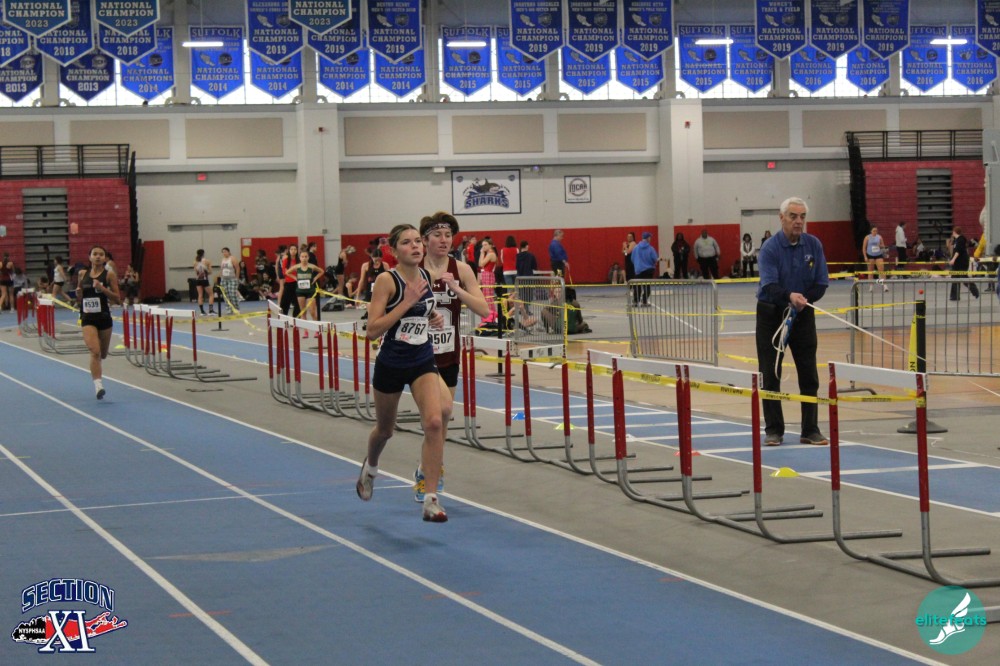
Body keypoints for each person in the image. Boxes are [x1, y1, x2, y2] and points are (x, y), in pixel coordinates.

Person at [355, 223, 449, 523]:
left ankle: (431, 499)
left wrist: (432, 316)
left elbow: (421, 311)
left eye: (418, 241)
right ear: (394, 251)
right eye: (407, 242)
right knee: (385, 430)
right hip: (392, 364)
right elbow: (372, 331)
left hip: (422, 359)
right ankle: (371, 467)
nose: (416, 246)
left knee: (434, 422)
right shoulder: (386, 280)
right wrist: (406, 302)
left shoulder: (425, 276)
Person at [418, 212, 490, 500]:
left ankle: (429, 468)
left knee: (442, 419)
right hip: (419, 354)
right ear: (425, 240)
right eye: (437, 235)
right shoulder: (414, 269)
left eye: (448, 235)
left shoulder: (461, 269)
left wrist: (456, 288)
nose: (444, 240)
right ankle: (430, 473)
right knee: (438, 414)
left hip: (449, 352)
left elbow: (484, 310)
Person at [755, 197, 829, 447]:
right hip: (772, 314)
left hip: (803, 313)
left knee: (809, 373)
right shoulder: (770, 248)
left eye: (802, 217)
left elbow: (821, 283)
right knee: (770, 372)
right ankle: (774, 430)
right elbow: (769, 284)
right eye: (793, 216)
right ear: (782, 217)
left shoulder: (814, 245)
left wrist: (804, 300)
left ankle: (810, 429)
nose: (798, 221)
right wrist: (789, 297)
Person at [76, 245, 121, 400]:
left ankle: (98, 373)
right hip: (87, 318)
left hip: (104, 317)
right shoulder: (82, 274)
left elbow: (117, 299)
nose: (98, 257)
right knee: (94, 351)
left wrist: (102, 289)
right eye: (95, 254)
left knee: (103, 354)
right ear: (89, 257)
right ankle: (98, 385)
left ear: (105, 258)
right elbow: (80, 295)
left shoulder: (109, 275)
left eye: (101, 254)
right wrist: (78, 294)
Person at [293, 250, 323, 327]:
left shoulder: (311, 266)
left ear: (308, 258)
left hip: (310, 291)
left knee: (312, 312)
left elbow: (321, 271)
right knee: (303, 312)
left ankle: (316, 328)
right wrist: (295, 278)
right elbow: (287, 272)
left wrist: (315, 278)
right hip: (300, 291)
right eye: (302, 257)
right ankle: (305, 330)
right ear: (300, 258)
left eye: (306, 257)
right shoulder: (297, 266)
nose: (304, 258)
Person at [948, 227, 979, 301]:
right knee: (955, 278)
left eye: (953, 231)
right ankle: (954, 296)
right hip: (957, 263)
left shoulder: (961, 239)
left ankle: (975, 291)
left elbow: (958, 251)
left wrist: (953, 260)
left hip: (962, 262)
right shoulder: (956, 240)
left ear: (955, 232)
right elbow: (953, 249)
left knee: (963, 277)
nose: (952, 233)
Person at [630, 231, 659, 306]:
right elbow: (655, 259)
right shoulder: (651, 248)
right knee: (647, 286)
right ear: (648, 238)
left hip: (638, 270)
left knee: (637, 286)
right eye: (650, 237)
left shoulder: (636, 248)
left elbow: (632, 258)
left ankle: (636, 301)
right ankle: (644, 301)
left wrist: (637, 264)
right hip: (648, 270)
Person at [862, 226, 889, 291]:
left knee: (881, 270)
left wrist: (881, 247)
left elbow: (883, 246)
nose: (875, 232)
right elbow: (864, 248)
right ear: (871, 231)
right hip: (870, 255)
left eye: (876, 231)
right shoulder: (867, 237)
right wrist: (865, 256)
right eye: (874, 231)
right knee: (870, 271)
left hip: (878, 254)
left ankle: (884, 285)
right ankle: (871, 286)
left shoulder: (879, 237)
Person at [478, 238, 499, 324]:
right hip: (486, 274)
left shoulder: (491, 254)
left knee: (488, 297)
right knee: (486, 297)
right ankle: (489, 316)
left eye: (485, 245)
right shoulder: (488, 253)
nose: (483, 247)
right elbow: (480, 264)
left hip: (488, 275)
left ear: (490, 245)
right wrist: (482, 253)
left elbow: (481, 264)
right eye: (482, 245)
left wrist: (482, 253)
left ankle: (491, 316)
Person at [279, 244, 301, 316]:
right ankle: (283, 317)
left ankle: (296, 318)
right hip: (288, 284)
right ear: (289, 250)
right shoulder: (286, 260)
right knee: (285, 303)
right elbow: (284, 272)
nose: (293, 251)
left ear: (297, 251)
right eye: (291, 249)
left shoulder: (299, 260)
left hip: (297, 284)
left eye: (295, 249)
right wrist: (294, 276)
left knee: (298, 303)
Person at [193, 249, 215, 315]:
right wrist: (206, 272)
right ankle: (211, 311)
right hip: (205, 280)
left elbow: (196, 272)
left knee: (200, 295)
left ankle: (202, 312)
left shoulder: (195, 262)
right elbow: (210, 272)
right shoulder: (207, 261)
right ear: (203, 254)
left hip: (198, 280)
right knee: (211, 294)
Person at [218, 247, 240, 314]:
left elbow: (237, 268)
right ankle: (229, 308)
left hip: (232, 279)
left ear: (228, 252)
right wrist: (220, 277)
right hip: (224, 279)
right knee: (226, 294)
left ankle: (236, 308)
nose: (224, 253)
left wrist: (237, 278)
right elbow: (221, 269)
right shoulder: (223, 259)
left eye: (225, 251)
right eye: (223, 252)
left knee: (232, 293)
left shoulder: (232, 258)